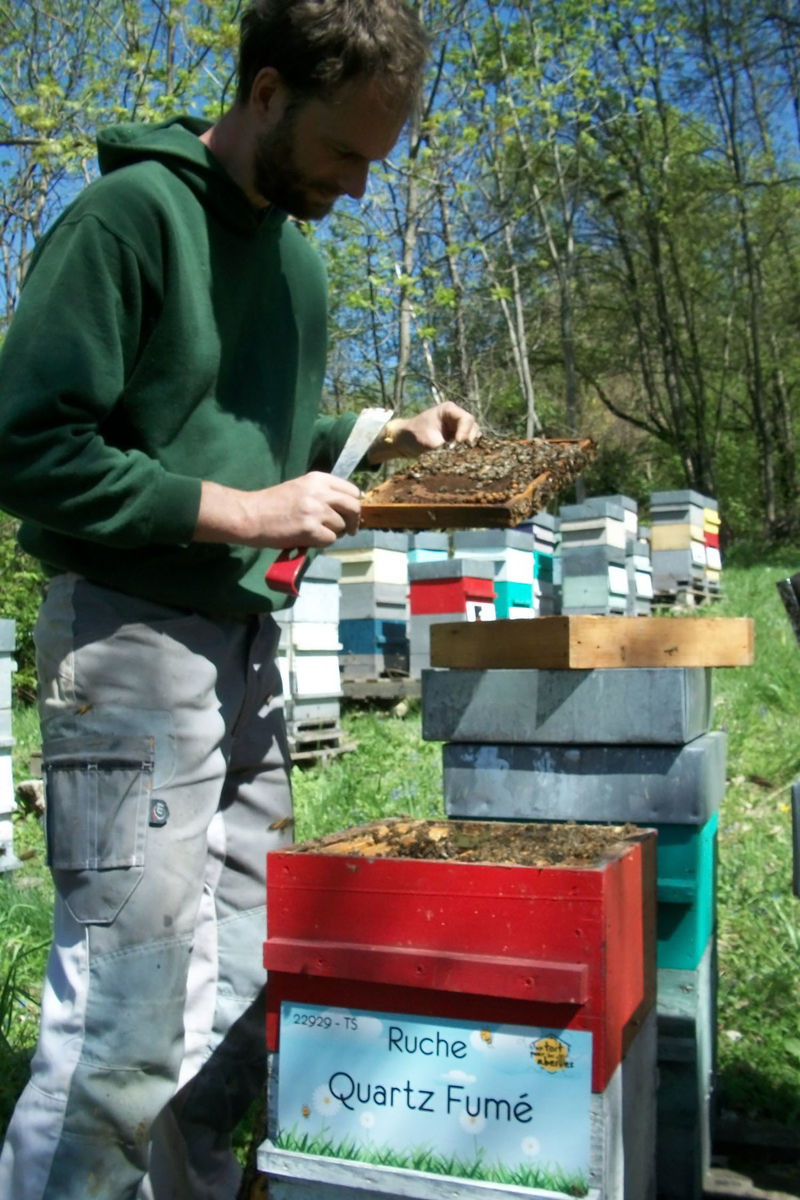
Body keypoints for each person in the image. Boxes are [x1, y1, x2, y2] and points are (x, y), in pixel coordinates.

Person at [0, 2, 479, 1197]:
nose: (359, 187)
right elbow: (30, 445)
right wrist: (249, 513)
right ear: (265, 93)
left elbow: (241, 441)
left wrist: (378, 440)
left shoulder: (297, 257)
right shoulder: (130, 218)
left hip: (247, 645)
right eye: (343, 153)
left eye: (378, 162)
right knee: (129, 997)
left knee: (240, 980)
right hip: (127, 640)